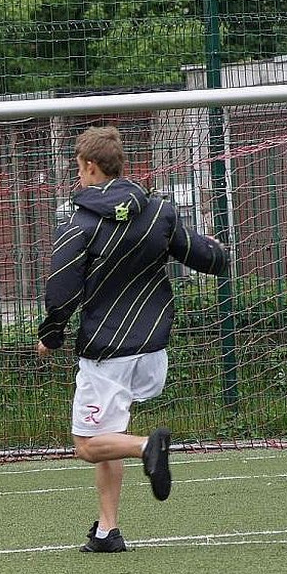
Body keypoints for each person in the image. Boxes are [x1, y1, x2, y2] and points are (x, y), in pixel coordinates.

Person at [36, 126, 228, 552]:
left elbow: (61, 288)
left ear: (89, 166)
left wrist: (51, 332)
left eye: (79, 168)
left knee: (87, 445)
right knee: (110, 433)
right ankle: (108, 530)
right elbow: (205, 256)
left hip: (107, 351)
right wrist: (220, 253)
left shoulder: (82, 221)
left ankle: (147, 446)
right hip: (153, 350)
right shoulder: (160, 212)